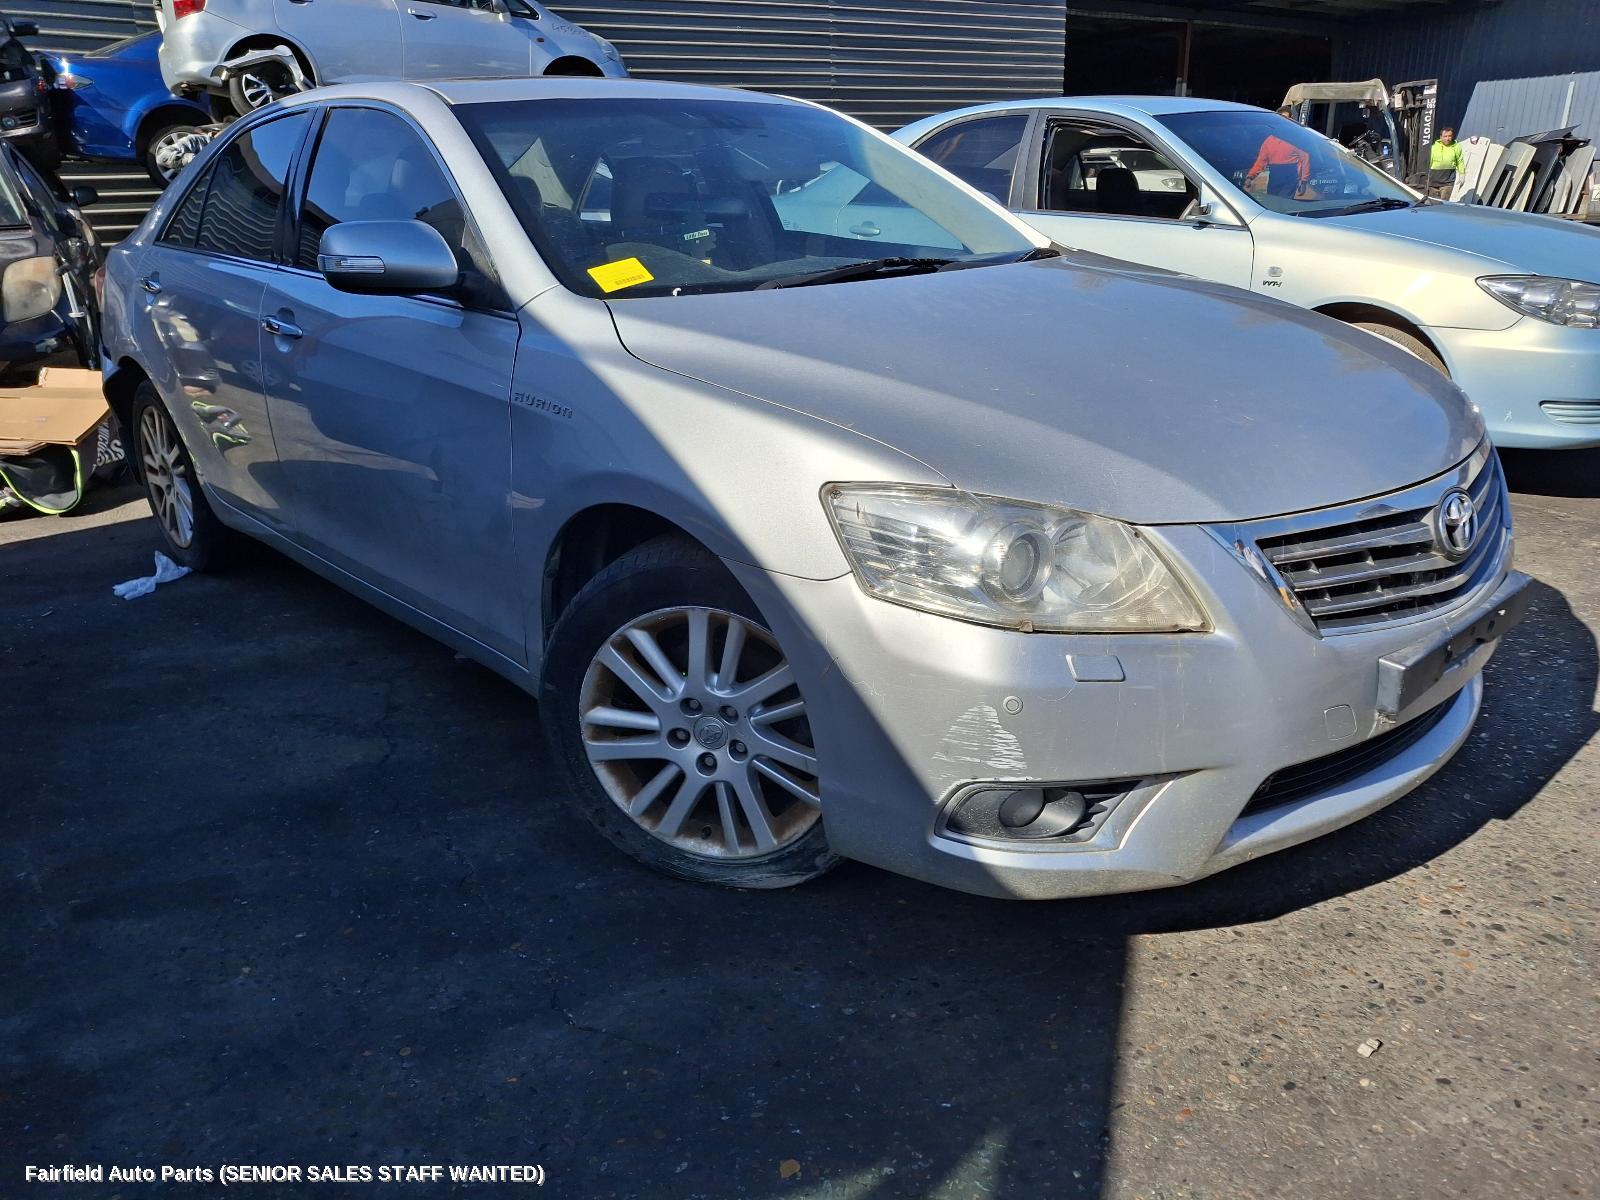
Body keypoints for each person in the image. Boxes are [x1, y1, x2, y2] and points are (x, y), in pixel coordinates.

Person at [1245, 108, 1311, 197]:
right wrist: (1250, 176)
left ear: (1291, 119)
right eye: (1281, 119)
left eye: (1286, 118)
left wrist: (1303, 181)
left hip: (1290, 176)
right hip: (1275, 176)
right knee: (1272, 200)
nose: (1283, 122)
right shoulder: (1269, 141)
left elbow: (1305, 159)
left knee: (1285, 201)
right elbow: (1261, 161)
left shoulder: (1296, 139)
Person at [1428, 126, 1466, 198]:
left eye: (1449, 136)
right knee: (1433, 202)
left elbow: (1460, 161)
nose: (1448, 138)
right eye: (1445, 136)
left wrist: (1462, 174)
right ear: (1441, 137)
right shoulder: (1434, 147)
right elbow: (1428, 162)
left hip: (1448, 181)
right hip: (1433, 181)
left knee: (1443, 202)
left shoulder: (1456, 147)